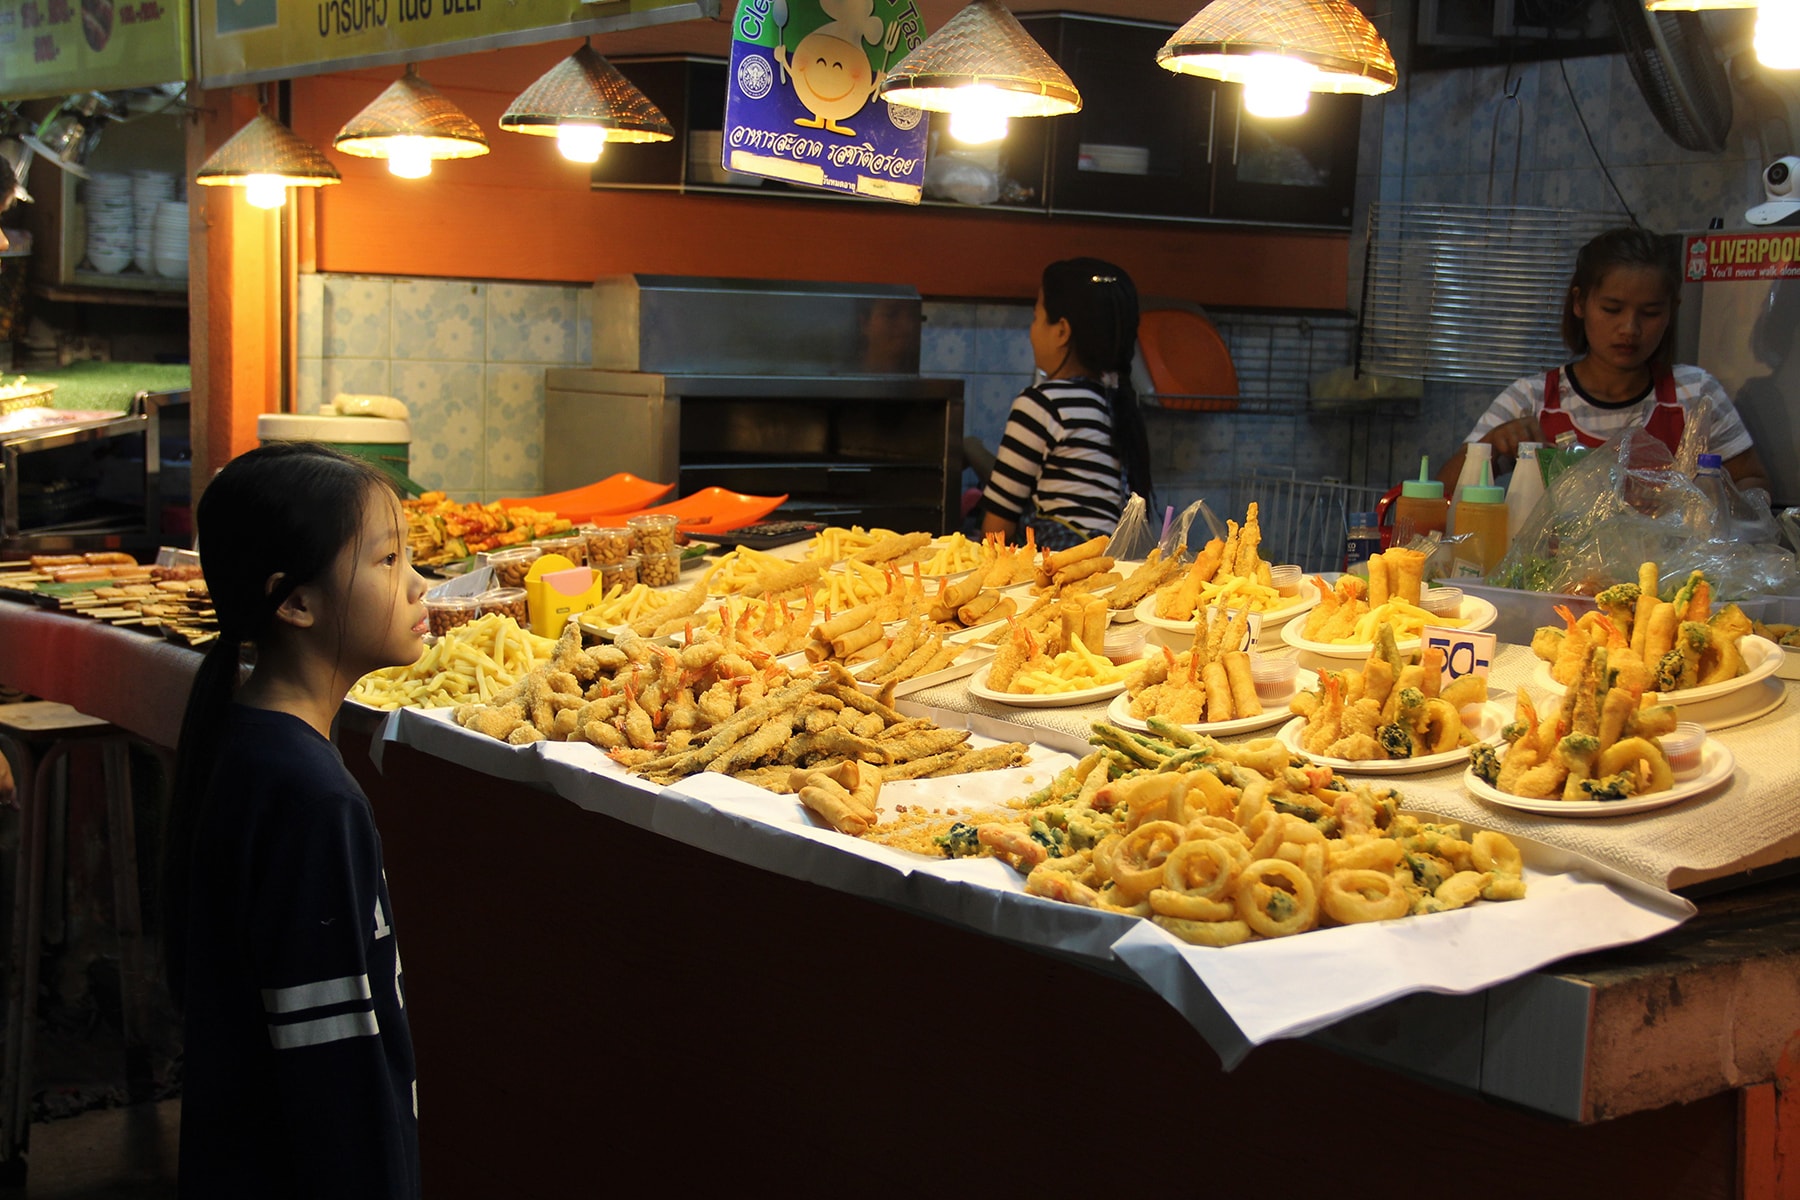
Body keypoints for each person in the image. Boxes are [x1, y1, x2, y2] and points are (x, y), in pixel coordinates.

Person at [163, 442, 426, 1198]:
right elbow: (333, 1062)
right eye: (386, 562)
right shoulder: (315, 801)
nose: (418, 585)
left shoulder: (242, 740)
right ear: (296, 602)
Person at [1441, 226, 1771, 497]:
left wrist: (1713, 506)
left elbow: (1752, 482)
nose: (1630, 329)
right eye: (1612, 309)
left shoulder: (1695, 394)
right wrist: (1489, 446)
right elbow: (1440, 496)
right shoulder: (1531, 400)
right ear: (1580, 303)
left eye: (1651, 312)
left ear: (1672, 311)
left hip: (1667, 576)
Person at [980, 257, 1154, 549]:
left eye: (1036, 317)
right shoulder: (1115, 406)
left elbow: (995, 530)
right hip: (1109, 571)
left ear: (1061, 331)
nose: (1032, 330)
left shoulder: (1041, 405)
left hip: (1062, 573)